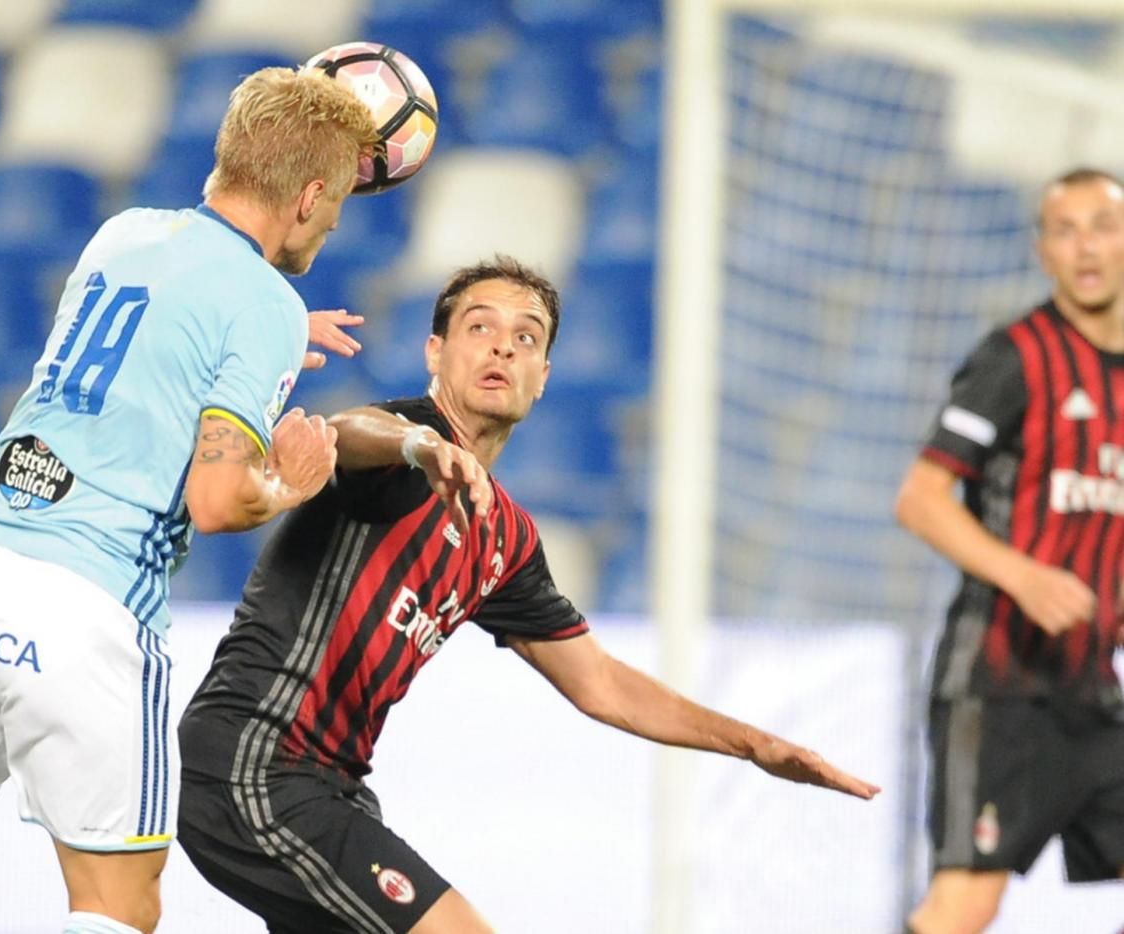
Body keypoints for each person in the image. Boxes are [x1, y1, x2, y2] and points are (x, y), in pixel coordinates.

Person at [0, 66, 380, 934]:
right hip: (86, 604)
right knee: (116, 906)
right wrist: (292, 479)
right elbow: (215, 501)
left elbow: (176, 312)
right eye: (337, 205)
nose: (331, 222)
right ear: (312, 192)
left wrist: (278, 323)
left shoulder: (124, 234)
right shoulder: (262, 303)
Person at [176, 254, 881, 933]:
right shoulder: (397, 448)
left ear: (542, 376)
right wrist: (422, 448)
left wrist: (753, 744)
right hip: (253, 763)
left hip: (331, 785)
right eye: (479, 328)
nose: (502, 349)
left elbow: (599, 682)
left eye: (525, 337)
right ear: (435, 352)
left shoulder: (504, 539)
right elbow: (346, 432)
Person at [896, 167, 1124, 934]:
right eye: (1065, 229)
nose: (1086, 245)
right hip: (997, 686)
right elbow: (921, 500)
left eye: (1103, 224)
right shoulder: (1016, 358)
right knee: (964, 906)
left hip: (1091, 688)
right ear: (1042, 251)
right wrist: (1024, 576)